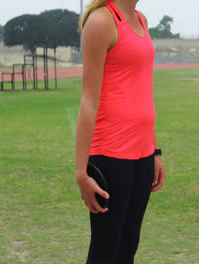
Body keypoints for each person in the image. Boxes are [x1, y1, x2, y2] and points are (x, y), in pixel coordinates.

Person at [75, 0, 166, 263]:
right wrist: (82, 172)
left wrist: (155, 150)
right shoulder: (102, 21)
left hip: (143, 153)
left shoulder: (141, 20)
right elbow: (88, 102)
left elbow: (141, 95)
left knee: (128, 247)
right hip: (110, 153)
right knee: (106, 249)